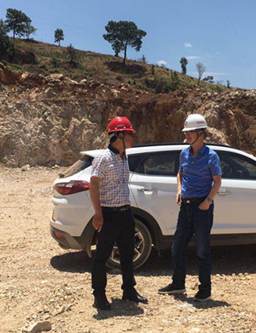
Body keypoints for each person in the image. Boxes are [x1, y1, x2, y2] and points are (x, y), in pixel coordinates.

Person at [159, 114, 222, 301]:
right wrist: (179, 190)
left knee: (202, 250)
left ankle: (205, 290)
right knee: (177, 247)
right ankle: (178, 283)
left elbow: (217, 181)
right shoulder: (184, 154)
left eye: (190, 132)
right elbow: (180, 173)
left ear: (201, 133)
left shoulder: (211, 156)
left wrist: (207, 201)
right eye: (186, 132)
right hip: (185, 207)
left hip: (201, 207)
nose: (186, 135)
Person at [89, 116, 148, 311]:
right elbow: (93, 185)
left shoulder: (124, 158)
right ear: (119, 135)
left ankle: (129, 290)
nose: (132, 139)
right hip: (108, 215)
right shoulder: (103, 159)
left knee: (127, 253)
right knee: (102, 256)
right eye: (129, 135)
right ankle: (99, 295)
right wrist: (98, 213)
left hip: (125, 213)